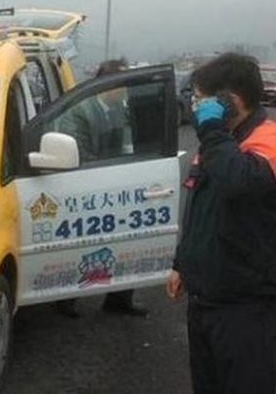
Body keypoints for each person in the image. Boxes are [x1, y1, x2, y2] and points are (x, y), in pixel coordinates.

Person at [167, 53, 276, 394]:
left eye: (202, 99)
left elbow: (239, 181)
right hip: (205, 303)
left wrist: (212, 130)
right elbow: (199, 207)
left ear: (232, 100)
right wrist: (181, 263)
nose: (196, 107)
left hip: (249, 308)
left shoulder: (267, 139)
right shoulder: (217, 144)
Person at [56, 59, 147, 318]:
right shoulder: (80, 111)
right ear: (108, 86)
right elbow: (79, 153)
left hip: (118, 183)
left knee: (126, 242)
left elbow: (129, 143)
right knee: (81, 244)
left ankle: (119, 298)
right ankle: (65, 298)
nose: (127, 90)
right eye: (122, 85)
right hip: (86, 186)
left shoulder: (121, 109)